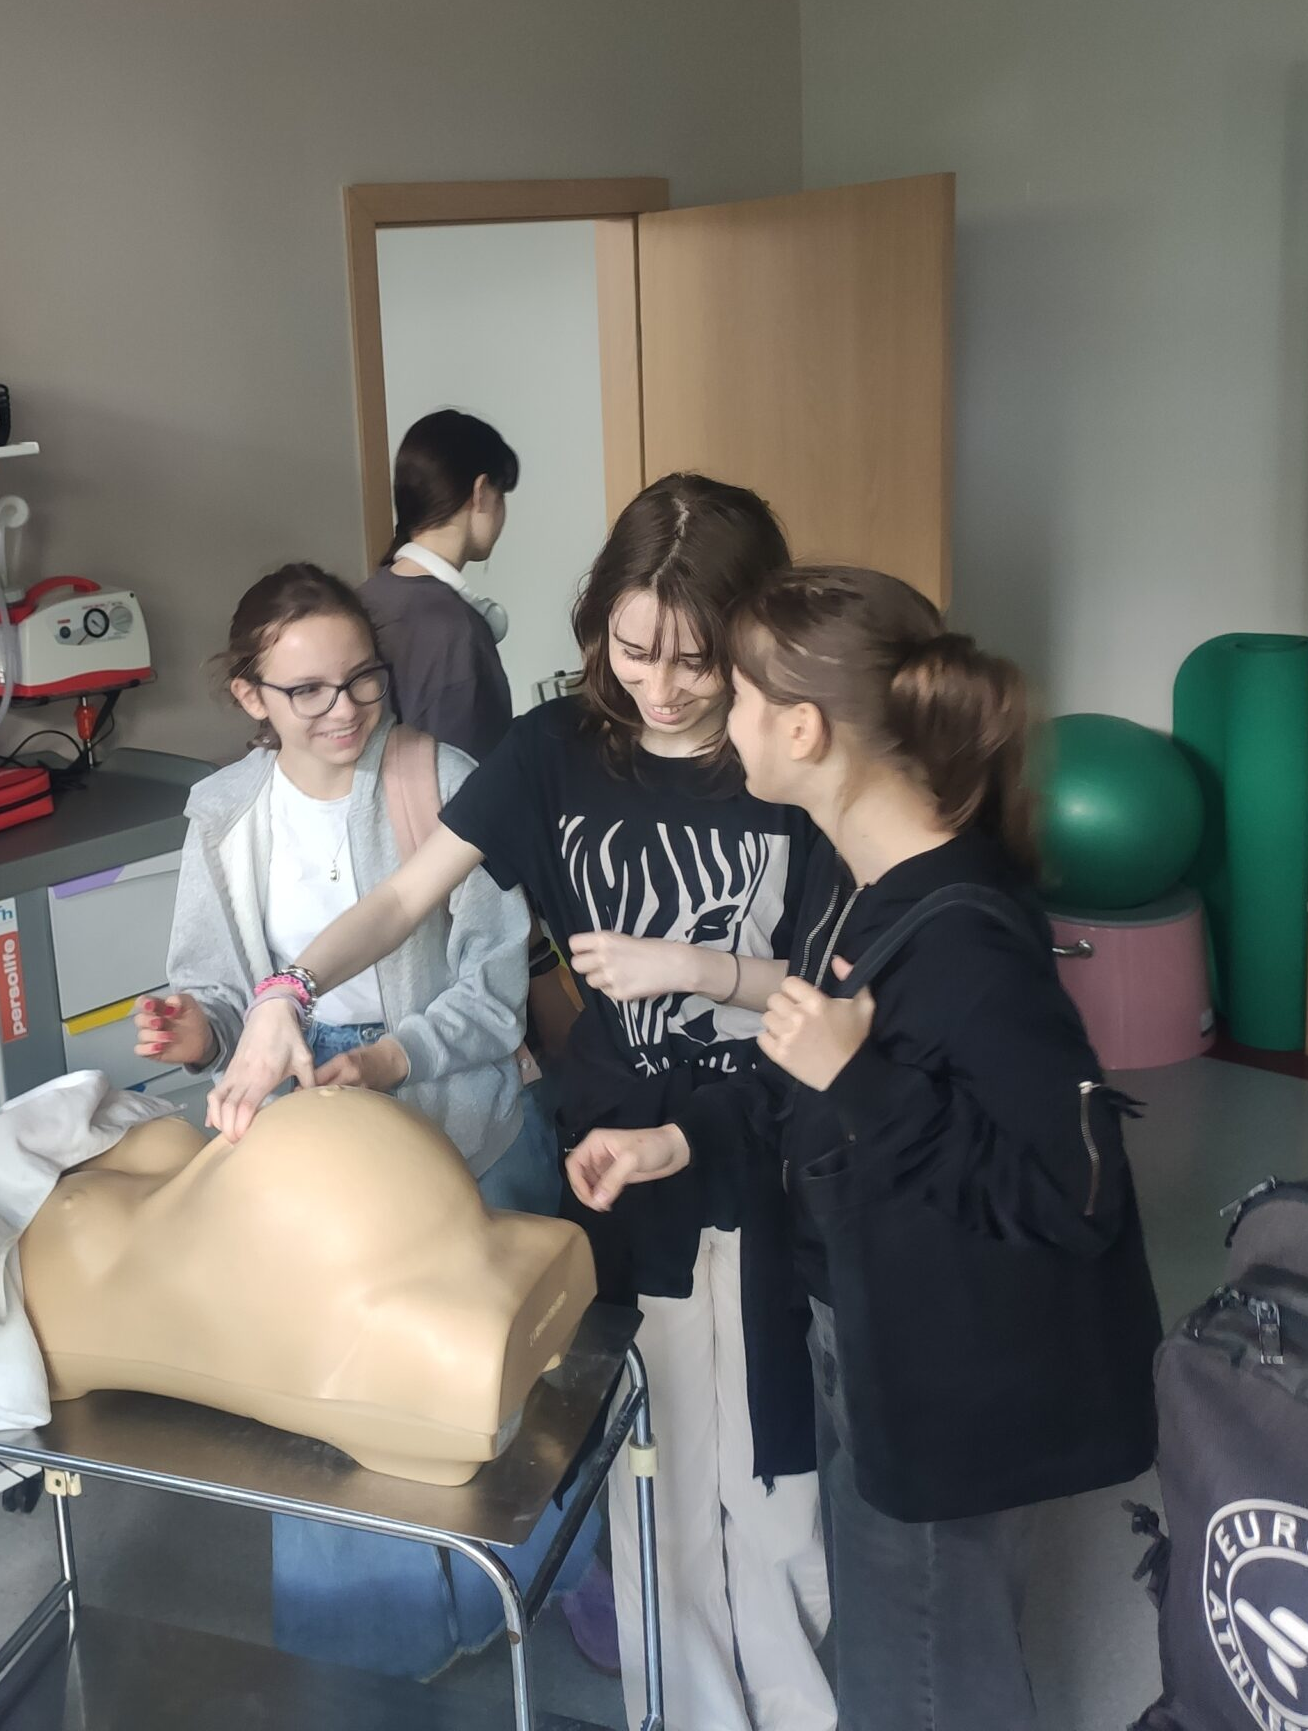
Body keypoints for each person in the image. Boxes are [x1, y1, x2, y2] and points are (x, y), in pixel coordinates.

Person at [206, 476, 834, 1731]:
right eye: (634, 651)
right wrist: (284, 991)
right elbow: (404, 899)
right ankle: (683, 1707)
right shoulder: (556, 752)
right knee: (651, 1459)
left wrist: (696, 968)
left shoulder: (788, 752)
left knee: (771, 1470)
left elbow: (842, 989)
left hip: (764, 1138)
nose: (663, 688)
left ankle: (793, 1705)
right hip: (616, 1151)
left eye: (697, 661)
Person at [567, 566, 1164, 1731]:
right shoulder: (857, 885)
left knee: (926, 1679)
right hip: (868, 1333)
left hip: (947, 1377)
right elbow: (803, 1074)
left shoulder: (966, 939)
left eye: (740, 695)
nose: (719, 714)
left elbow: (1069, 1195)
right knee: (894, 1649)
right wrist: (678, 1142)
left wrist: (862, 1079)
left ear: (802, 729)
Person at [132, 559, 558, 1678]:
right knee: (329, 1399)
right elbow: (223, 994)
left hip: (459, 1120)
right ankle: (372, 1650)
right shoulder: (225, 813)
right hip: (310, 1143)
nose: (344, 709)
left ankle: (517, 1612)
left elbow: (494, 993)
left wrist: (387, 1056)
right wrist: (196, 1030)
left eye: (363, 678)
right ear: (251, 697)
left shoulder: (438, 780)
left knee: (484, 1393)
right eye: (307, 690)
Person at [358, 409, 521, 759]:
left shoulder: (362, 600)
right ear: (481, 492)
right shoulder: (454, 629)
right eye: (501, 496)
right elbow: (469, 776)